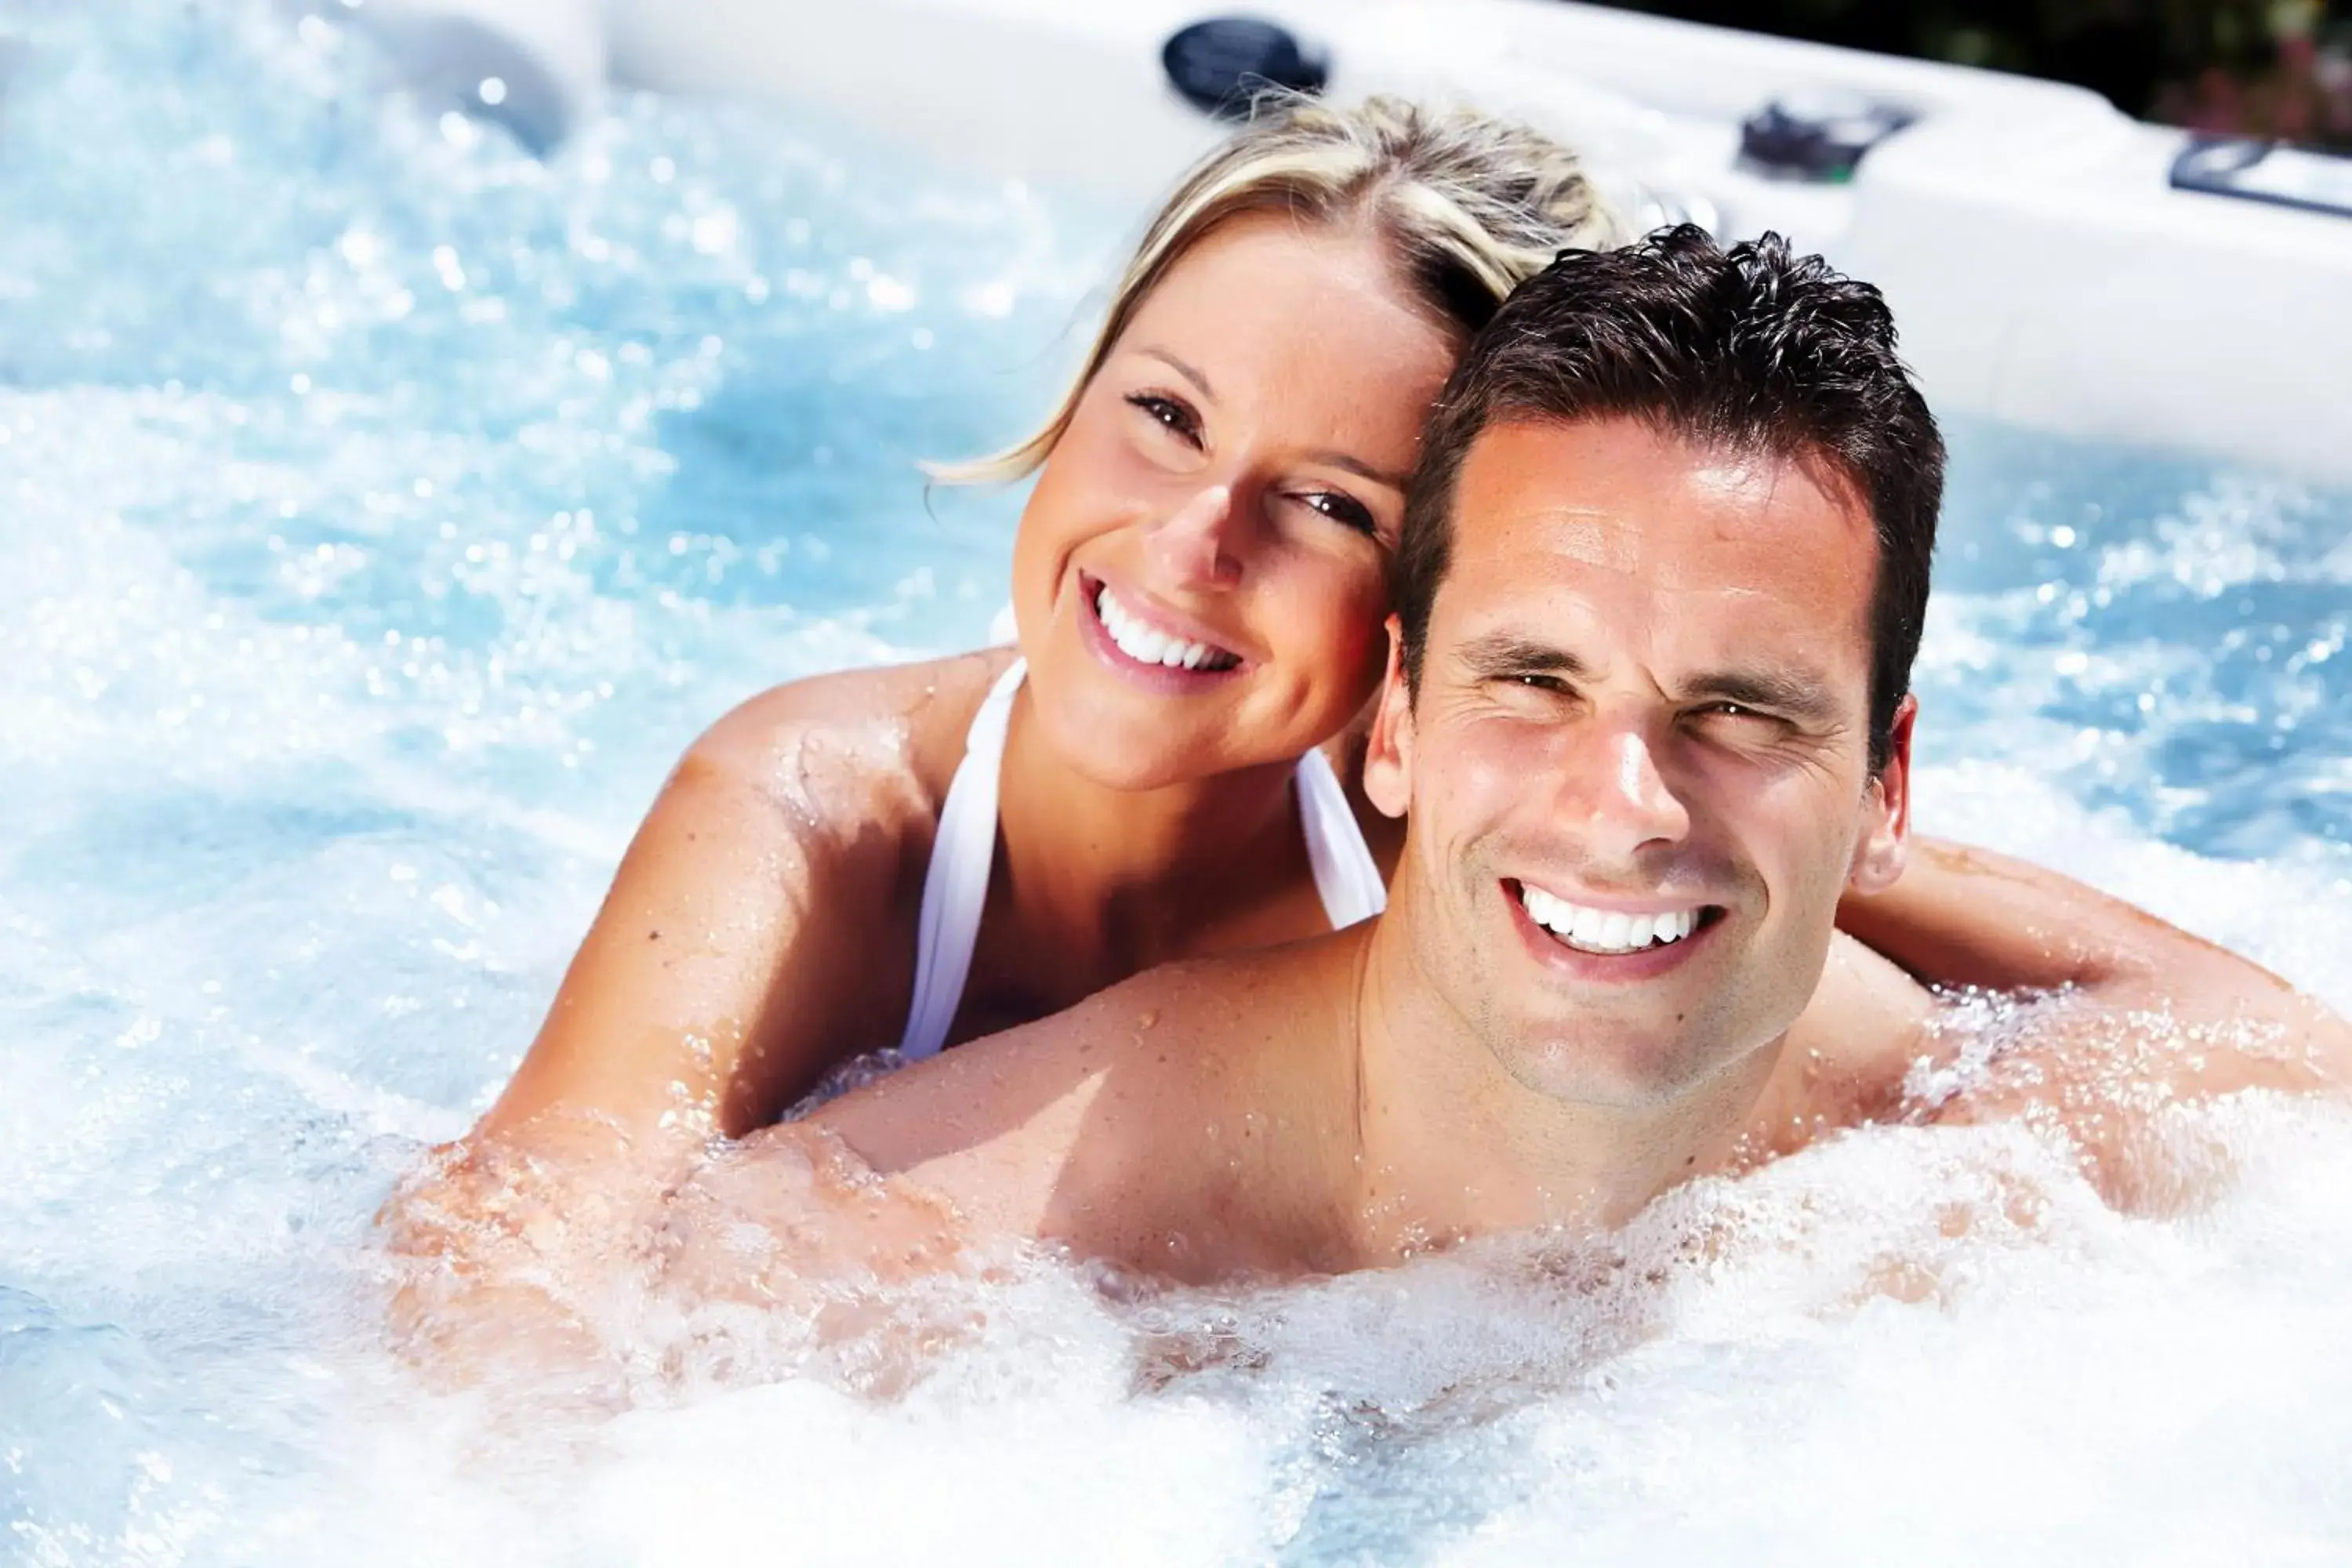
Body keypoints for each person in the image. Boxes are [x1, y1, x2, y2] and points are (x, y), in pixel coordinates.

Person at [655, 227, 2347, 1294]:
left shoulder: (1940, 1146)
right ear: (1396, 719)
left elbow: (2283, 1067)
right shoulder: (989, 1224)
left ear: (1887, 782)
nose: (1624, 814)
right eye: (1534, 680)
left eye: (1743, 713)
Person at [379, 96, 1627, 1335]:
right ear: (1080, 398)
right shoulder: (813, 819)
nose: (1195, 544)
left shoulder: (1450, 862)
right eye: (1168, 416)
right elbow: (508, 1278)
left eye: (1331, 505)